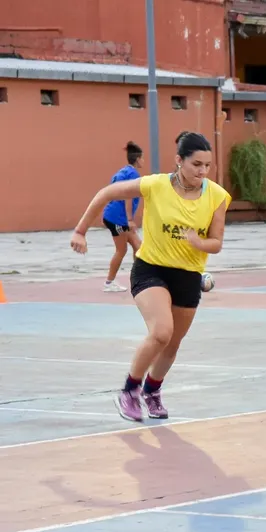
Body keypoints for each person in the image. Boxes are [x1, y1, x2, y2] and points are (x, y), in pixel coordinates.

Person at [69, 131, 232, 422]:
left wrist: (199, 242)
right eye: (196, 164)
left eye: (207, 165)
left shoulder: (217, 196)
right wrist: (80, 230)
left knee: (173, 343)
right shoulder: (155, 185)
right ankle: (129, 391)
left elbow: (217, 243)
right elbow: (106, 193)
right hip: (150, 269)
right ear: (179, 161)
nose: (203, 171)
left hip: (189, 275)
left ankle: (152, 391)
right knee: (161, 332)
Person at [101, 141, 144, 293]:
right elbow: (128, 197)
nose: (143, 161)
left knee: (139, 247)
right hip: (117, 219)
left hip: (118, 217)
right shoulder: (132, 174)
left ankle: (139, 279)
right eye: (142, 158)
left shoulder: (122, 172)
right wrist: (130, 219)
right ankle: (109, 282)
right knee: (121, 250)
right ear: (138, 159)